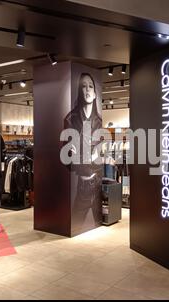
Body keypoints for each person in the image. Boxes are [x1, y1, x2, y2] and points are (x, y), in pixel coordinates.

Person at [64, 73, 102, 228]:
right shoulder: (70, 119)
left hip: (98, 182)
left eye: (91, 86)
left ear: (94, 94)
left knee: (100, 225)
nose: (87, 89)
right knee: (76, 225)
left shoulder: (99, 121)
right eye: (83, 86)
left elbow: (99, 154)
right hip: (83, 186)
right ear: (80, 91)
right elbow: (68, 161)